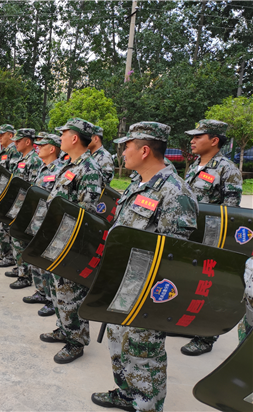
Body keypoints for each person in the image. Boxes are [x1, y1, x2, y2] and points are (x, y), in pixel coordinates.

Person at [91, 122, 198, 412]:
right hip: (124, 282)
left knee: (143, 349)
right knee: (118, 340)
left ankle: (148, 405)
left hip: (148, 290)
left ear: (145, 150)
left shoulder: (175, 193)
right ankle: (127, 393)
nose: (123, 152)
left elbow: (174, 256)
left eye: (127, 146)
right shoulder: (139, 184)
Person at [39, 118, 103, 364]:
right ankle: (64, 328)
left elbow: (88, 213)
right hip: (58, 237)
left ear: (75, 138)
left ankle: (76, 341)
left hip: (73, 243)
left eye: (63, 134)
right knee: (59, 290)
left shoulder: (89, 169)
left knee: (72, 292)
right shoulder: (70, 165)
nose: (60, 138)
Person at [180, 119, 243, 356]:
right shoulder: (196, 165)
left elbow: (230, 215)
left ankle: (205, 337)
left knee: (207, 289)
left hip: (211, 241)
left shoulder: (228, 170)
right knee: (189, 283)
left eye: (198, 136)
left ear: (214, 140)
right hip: (191, 236)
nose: (192, 141)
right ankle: (189, 326)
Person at [21, 134, 64, 317]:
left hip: (47, 224)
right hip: (36, 221)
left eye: (42, 145)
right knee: (37, 260)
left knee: (47, 264)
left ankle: (51, 300)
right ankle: (41, 291)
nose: (37, 147)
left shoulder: (59, 170)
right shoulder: (44, 167)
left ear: (52, 149)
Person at [6, 128, 43, 289]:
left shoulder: (34, 160)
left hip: (26, 208)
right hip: (18, 205)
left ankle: (25, 276)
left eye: (19, 140)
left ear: (28, 141)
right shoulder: (22, 158)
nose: (15, 143)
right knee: (16, 240)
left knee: (22, 241)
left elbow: (33, 188)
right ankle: (20, 268)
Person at [0, 124, 21, 268]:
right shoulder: (4, 151)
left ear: (11, 135)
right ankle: (3, 252)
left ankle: (9, 256)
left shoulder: (14, 151)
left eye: (2, 134)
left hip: (8, 195)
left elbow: (12, 175)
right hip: (1, 193)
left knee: (5, 227)